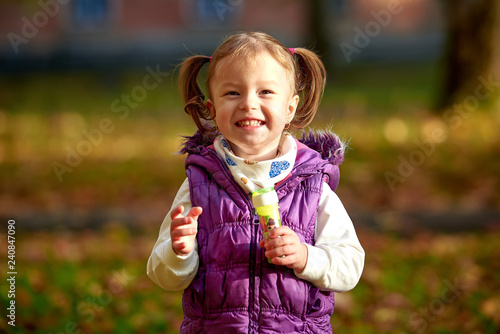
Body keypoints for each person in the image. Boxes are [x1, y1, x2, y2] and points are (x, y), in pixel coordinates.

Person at [147, 31, 365, 333]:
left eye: (265, 92)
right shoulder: (199, 184)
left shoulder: (313, 185)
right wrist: (179, 251)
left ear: (290, 109)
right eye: (233, 93)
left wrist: (305, 257)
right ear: (212, 110)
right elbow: (163, 275)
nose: (249, 103)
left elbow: (350, 265)